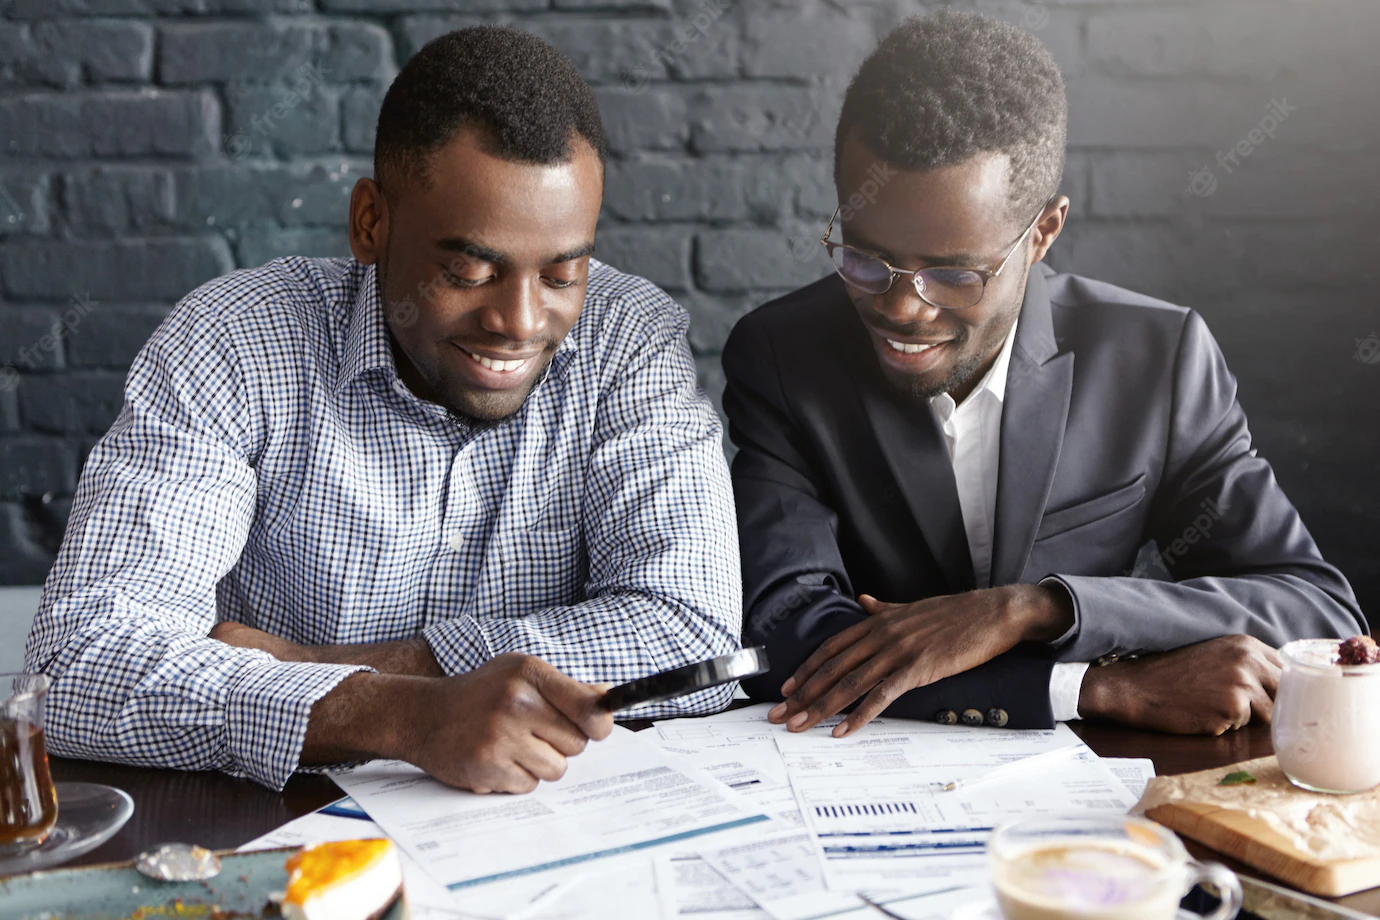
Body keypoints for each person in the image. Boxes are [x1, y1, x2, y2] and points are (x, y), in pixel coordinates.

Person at [25, 26, 741, 794]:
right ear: (371, 223)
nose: (521, 321)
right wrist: (396, 716)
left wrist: (318, 670)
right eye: (468, 270)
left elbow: (692, 635)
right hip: (273, 824)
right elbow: (77, 662)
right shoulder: (235, 342)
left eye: (564, 274)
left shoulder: (629, 341)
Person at [723, 10, 1365, 740]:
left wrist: (1032, 608)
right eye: (866, 258)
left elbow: (1316, 610)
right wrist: (1092, 687)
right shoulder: (781, 357)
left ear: (1044, 233)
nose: (901, 304)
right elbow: (785, 635)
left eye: (955, 272)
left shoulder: (1157, 359)